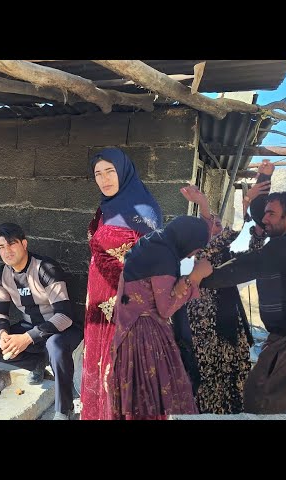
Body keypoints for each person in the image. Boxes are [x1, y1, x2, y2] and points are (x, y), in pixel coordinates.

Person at [198, 189, 286, 414]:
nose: (264, 220)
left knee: (262, 397)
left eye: (271, 214)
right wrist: (258, 190)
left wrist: (199, 279)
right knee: (266, 394)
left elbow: (246, 266)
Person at [80, 148, 163, 420]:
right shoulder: (106, 207)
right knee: (99, 369)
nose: (104, 179)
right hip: (97, 306)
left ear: (124, 171)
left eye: (110, 171)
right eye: (98, 174)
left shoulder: (144, 211)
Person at [173, 184, 268, 414]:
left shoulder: (228, 259)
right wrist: (205, 207)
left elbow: (255, 255)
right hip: (200, 330)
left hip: (227, 328)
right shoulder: (194, 258)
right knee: (203, 376)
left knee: (231, 376)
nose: (218, 227)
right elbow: (213, 247)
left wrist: (257, 224)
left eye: (218, 223)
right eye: (212, 224)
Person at [109, 215, 212, 420]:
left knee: (137, 397)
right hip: (146, 337)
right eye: (196, 249)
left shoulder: (153, 242)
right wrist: (194, 278)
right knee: (157, 397)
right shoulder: (163, 257)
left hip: (128, 329)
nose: (193, 254)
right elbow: (166, 309)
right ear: (188, 241)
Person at [0, 223, 83, 420]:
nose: (7, 251)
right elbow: (0, 314)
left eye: (12, 244)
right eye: (1, 247)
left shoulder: (45, 268)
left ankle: (64, 409)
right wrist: (4, 335)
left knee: (55, 346)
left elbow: (64, 316)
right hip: (30, 326)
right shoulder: (2, 274)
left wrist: (27, 338)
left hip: (63, 328)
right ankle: (37, 364)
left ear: (24, 244)